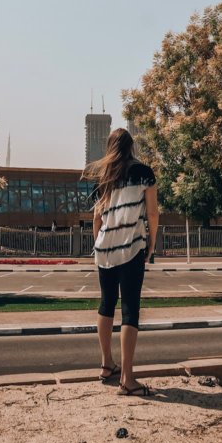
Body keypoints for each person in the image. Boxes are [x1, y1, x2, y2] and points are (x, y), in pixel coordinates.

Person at [85, 127, 159, 396]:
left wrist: (100, 244)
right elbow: (152, 212)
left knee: (106, 304)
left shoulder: (103, 178)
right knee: (130, 309)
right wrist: (151, 244)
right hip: (131, 248)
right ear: (131, 147)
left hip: (104, 249)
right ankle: (127, 379)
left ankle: (106, 364)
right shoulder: (144, 173)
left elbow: (96, 219)